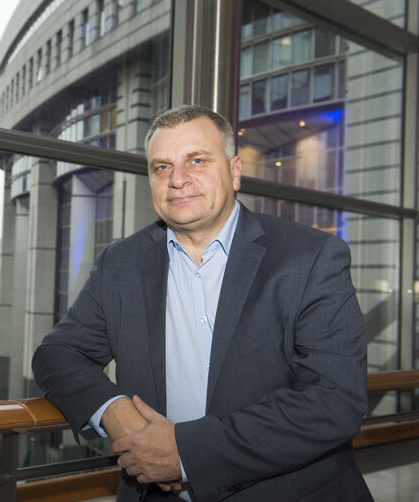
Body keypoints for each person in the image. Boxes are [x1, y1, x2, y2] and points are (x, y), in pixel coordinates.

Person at [32, 105, 372, 501]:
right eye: (161, 167)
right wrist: (114, 410)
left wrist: (186, 452)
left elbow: (334, 400)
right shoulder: (120, 262)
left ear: (235, 172)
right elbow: (57, 353)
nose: (177, 179)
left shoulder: (310, 257)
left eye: (197, 160)